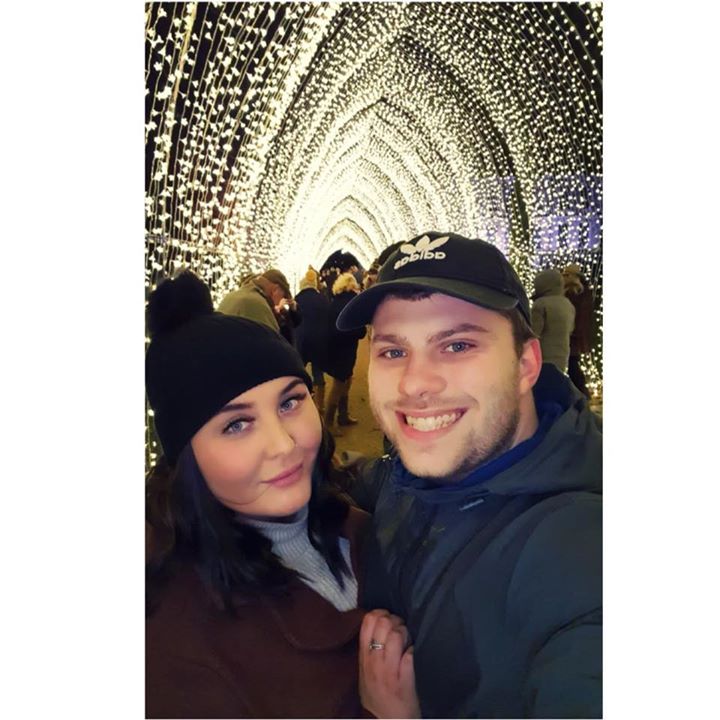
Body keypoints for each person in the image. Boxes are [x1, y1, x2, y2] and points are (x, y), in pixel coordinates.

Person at [335, 232, 602, 718]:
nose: (415, 383)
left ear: (526, 364)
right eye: (393, 351)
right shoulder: (412, 477)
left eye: (457, 345)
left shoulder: (581, 549)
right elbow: (379, 478)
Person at [145, 271, 417, 718]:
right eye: (237, 424)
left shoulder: (362, 520)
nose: (284, 444)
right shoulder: (173, 637)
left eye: (290, 402)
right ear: (186, 458)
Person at [324, 271, 366, 431]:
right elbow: (359, 330)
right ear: (352, 285)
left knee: (344, 381)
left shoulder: (334, 302)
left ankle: (343, 416)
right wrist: (360, 330)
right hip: (346, 349)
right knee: (340, 385)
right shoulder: (352, 303)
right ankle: (329, 423)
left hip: (335, 348)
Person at [295, 266, 331, 412]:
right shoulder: (322, 298)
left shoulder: (297, 299)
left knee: (299, 371)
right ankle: (320, 406)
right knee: (318, 372)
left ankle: (302, 403)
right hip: (318, 340)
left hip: (301, 340)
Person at [218, 268, 292, 334]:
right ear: (275, 290)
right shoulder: (258, 303)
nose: (280, 301)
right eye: (283, 296)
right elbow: (273, 341)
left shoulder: (232, 295)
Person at [530, 267, 576, 373]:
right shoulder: (568, 304)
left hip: (543, 357)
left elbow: (534, 332)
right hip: (562, 356)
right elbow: (571, 329)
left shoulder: (541, 304)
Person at [562, 263, 595, 399]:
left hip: (573, 335)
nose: (565, 277)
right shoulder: (571, 292)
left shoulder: (578, 293)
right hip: (571, 334)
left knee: (572, 363)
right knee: (572, 363)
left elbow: (582, 316)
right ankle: (580, 393)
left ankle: (581, 393)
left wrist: (575, 331)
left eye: (567, 275)